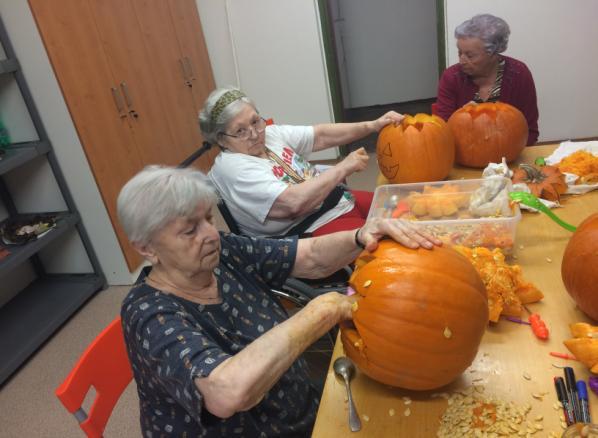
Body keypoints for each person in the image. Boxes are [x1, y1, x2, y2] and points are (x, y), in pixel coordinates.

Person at [116, 165, 441, 437]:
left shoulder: (222, 252)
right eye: (189, 231)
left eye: (208, 219)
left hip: (296, 407)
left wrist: (362, 236)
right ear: (146, 247)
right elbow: (226, 393)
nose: (210, 234)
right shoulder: (148, 313)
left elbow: (310, 256)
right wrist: (318, 313)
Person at [199, 87, 404, 237]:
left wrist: (372, 125)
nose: (254, 134)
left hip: (335, 202)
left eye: (255, 121)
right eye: (240, 131)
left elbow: (321, 136)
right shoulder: (233, 168)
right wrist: (342, 168)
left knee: (405, 210)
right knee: (388, 243)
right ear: (220, 139)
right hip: (308, 230)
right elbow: (293, 204)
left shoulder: (269, 134)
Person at [435, 14, 539, 145]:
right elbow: (442, 131)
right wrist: (461, 116)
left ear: (493, 53)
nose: (462, 60)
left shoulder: (519, 73)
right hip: (463, 154)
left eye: (470, 55)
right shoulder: (451, 77)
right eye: (459, 52)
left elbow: (530, 131)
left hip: (509, 156)